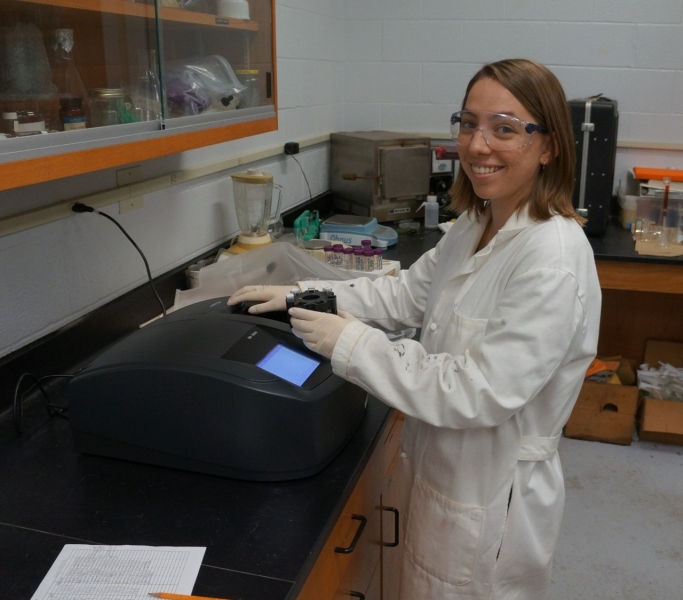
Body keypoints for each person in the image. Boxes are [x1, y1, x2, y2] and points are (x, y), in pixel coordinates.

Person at [228, 58, 601, 599]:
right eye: (468, 123)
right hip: (439, 476)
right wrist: (302, 295)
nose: (477, 145)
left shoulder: (552, 257)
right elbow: (405, 293)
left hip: (490, 495)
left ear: (549, 147)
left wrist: (352, 342)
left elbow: (479, 391)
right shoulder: (478, 222)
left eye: (505, 129)